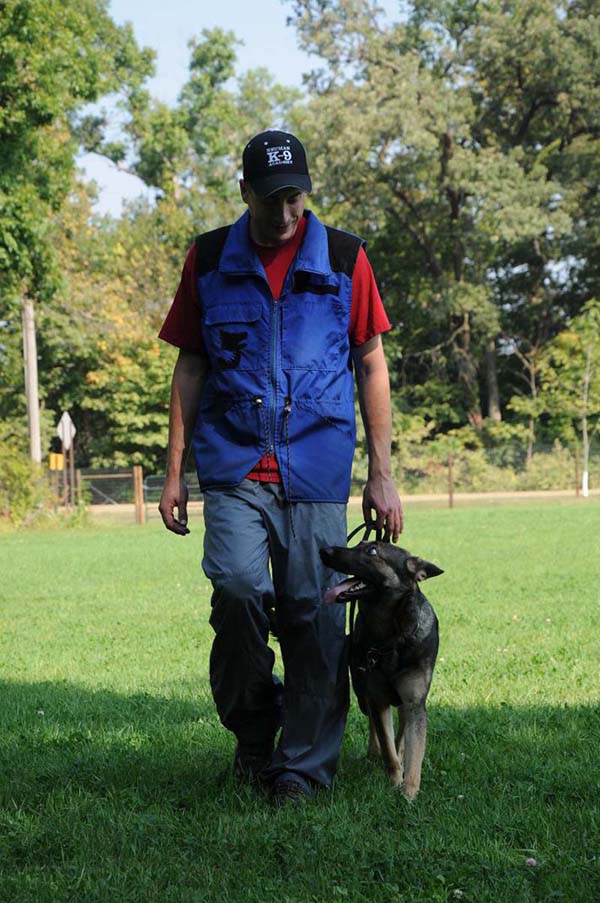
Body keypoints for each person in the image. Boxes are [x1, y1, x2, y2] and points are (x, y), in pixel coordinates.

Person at [158, 129, 403, 806]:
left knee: (314, 614)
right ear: (245, 192)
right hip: (235, 460)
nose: (286, 212)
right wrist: (174, 469)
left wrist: (381, 472)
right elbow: (190, 365)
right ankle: (254, 733)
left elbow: (372, 364)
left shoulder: (345, 257)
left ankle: (302, 768)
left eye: (295, 196)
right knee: (237, 589)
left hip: (316, 464)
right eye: (271, 199)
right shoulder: (210, 258)